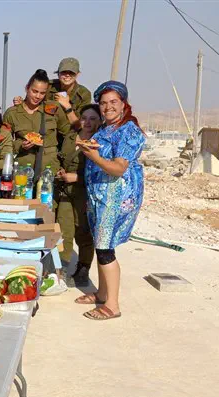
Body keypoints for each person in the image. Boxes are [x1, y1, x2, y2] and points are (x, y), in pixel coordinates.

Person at [78, 81, 145, 321]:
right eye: (104, 103)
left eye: (113, 102)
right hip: (99, 195)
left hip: (115, 196)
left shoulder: (128, 131)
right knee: (100, 243)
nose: (108, 107)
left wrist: (93, 155)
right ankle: (102, 293)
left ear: (124, 103)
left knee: (105, 247)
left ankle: (112, 305)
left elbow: (118, 168)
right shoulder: (105, 130)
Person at [56, 105, 100, 288]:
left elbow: (100, 170)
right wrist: (61, 171)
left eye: (93, 119)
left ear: (99, 122)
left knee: (83, 232)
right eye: (84, 118)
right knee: (63, 229)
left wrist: (78, 177)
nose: (88, 122)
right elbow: (60, 157)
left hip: (86, 192)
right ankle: (62, 268)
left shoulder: (99, 142)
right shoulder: (69, 138)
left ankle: (83, 268)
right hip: (66, 191)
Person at [4, 69, 71, 178]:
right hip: (23, 171)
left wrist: (65, 164)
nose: (38, 96)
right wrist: (21, 146)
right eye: (34, 91)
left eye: (42, 93)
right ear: (27, 88)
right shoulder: (12, 113)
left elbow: (68, 135)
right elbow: (4, 143)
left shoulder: (53, 108)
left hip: (50, 171)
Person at [13, 58, 91, 132]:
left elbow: (80, 126)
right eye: (64, 72)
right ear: (58, 73)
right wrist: (21, 102)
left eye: (71, 73)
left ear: (77, 74)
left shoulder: (84, 94)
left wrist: (68, 107)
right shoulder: (48, 85)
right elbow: (30, 104)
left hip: (69, 136)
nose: (67, 75)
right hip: (45, 131)